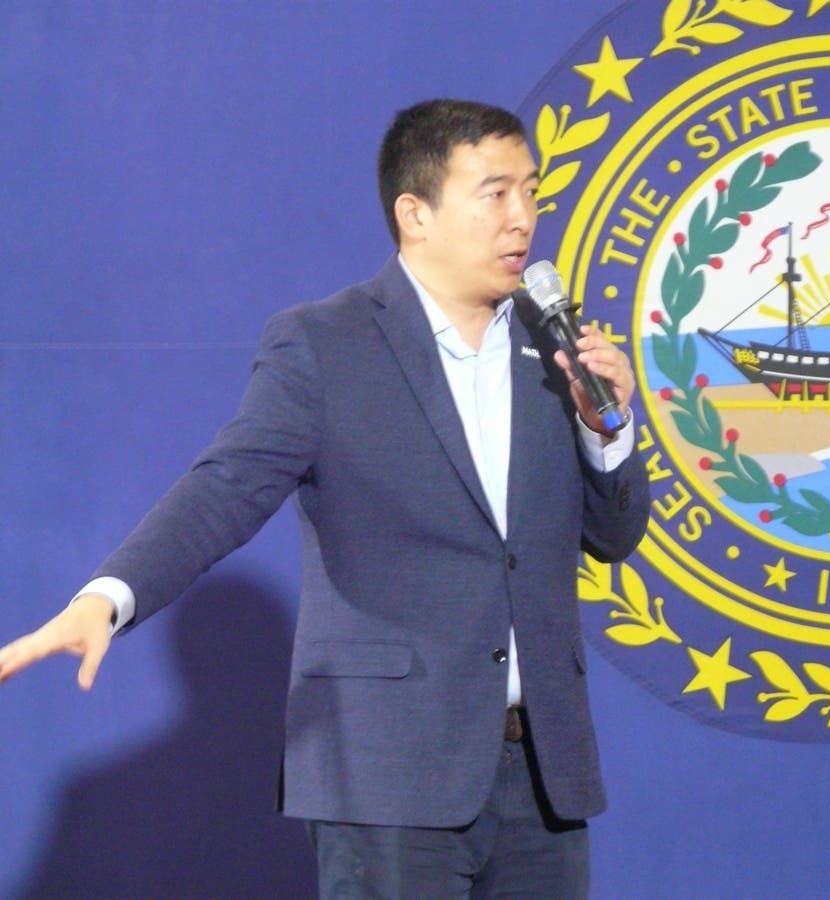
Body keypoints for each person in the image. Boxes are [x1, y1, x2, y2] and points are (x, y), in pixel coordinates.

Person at [0, 98, 651, 897]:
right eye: (495, 193)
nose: (523, 218)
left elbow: (614, 536)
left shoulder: (552, 346)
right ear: (415, 213)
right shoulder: (326, 344)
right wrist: (105, 599)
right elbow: (226, 487)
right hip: (389, 777)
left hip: (543, 777)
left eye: (531, 191)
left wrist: (605, 431)